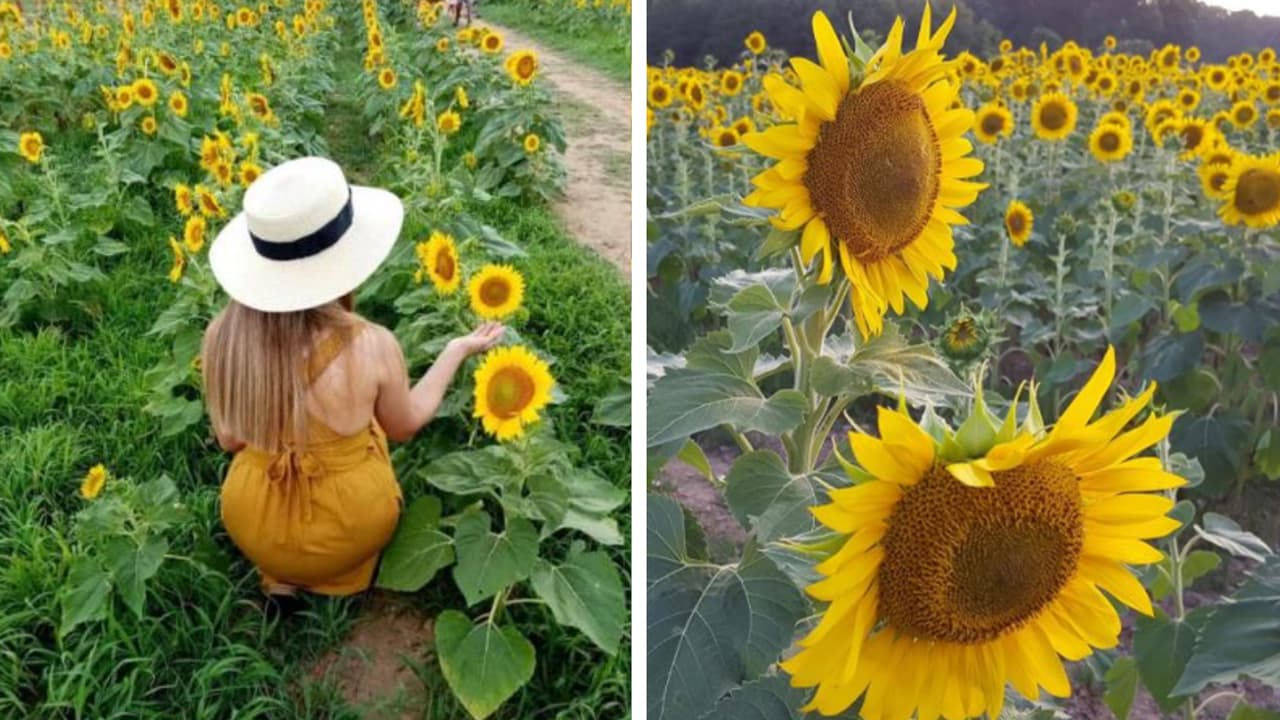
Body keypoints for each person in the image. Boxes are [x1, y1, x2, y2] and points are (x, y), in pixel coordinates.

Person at [201, 156, 504, 598]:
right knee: (360, 492)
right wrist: (455, 350)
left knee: (272, 511)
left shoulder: (222, 337)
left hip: (253, 521)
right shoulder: (370, 343)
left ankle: (279, 578)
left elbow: (229, 441)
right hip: (348, 529)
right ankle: (339, 579)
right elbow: (405, 425)